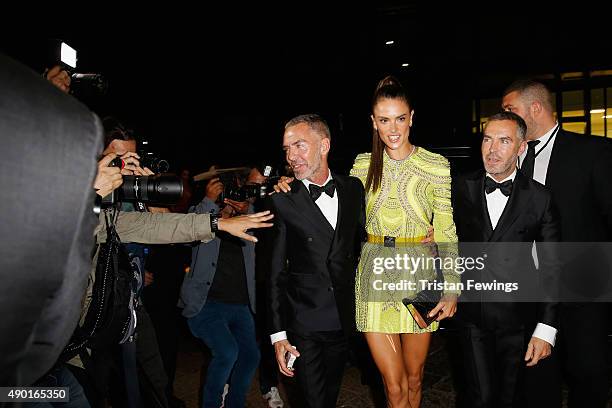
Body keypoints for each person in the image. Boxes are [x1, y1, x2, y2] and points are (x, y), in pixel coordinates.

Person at [349, 76, 460, 408]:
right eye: (384, 120)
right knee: (394, 387)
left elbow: (447, 230)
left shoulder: (435, 166)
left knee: (414, 379)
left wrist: (452, 287)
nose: (393, 127)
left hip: (419, 274)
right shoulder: (362, 165)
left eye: (400, 118)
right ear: (374, 122)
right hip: (375, 273)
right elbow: (335, 211)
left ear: (411, 117)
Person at [502, 79, 612, 407]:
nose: (504, 115)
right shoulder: (506, 155)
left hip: (583, 289)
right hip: (526, 291)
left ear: (535, 108)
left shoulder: (593, 152)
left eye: (510, 109)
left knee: (588, 375)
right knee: (535, 378)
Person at [452, 111, 561, 407]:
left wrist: (546, 328)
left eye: (503, 141)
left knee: (512, 398)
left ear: (521, 147)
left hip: (518, 319)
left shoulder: (540, 197)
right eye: (487, 140)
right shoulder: (457, 188)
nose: (492, 149)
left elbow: (553, 266)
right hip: (470, 315)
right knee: (479, 397)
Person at [265, 114, 366, 408]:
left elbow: (363, 242)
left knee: (329, 397)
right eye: (286, 149)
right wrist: (278, 336)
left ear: (324, 145)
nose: (291, 156)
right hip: (303, 325)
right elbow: (273, 275)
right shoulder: (282, 199)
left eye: (299, 146)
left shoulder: (352, 188)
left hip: (344, 321)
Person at [179, 174, 261, 408]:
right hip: (207, 305)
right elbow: (186, 234)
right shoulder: (203, 215)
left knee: (250, 356)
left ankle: (235, 404)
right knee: (227, 353)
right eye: (227, 194)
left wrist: (247, 206)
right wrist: (208, 200)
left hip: (241, 306)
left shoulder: (246, 222)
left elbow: (263, 224)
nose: (230, 201)